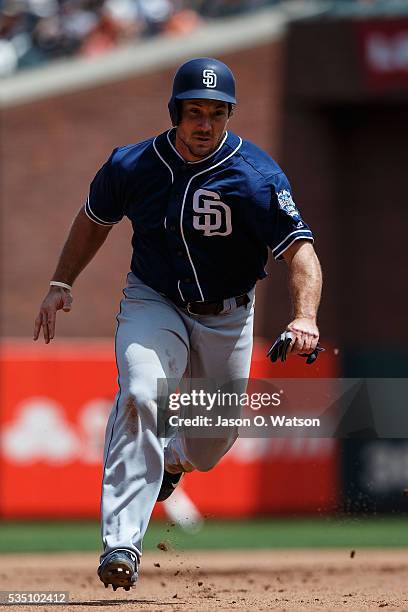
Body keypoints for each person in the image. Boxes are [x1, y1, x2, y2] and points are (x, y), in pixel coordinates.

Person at [33, 57, 322, 591]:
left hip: (228, 315)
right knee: (142, 395)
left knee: (211, 446)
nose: (205, 124)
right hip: (154, 300)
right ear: (175, 113)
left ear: (228, 115)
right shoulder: (132, 165)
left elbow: (300, 252)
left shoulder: (256, 176)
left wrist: (305, 316)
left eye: (216, 113)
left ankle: (174, 462)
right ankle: (122, 542)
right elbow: (94, 220)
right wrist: (61, 283)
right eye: (194, 112)